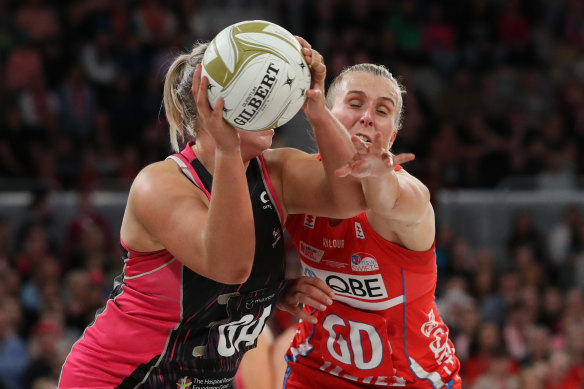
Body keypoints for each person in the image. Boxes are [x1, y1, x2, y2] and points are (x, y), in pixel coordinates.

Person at [58, 37, 364, 389]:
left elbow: (353, 196)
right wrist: (227, 147)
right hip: (118, 379)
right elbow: (227, 267)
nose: (269, 106)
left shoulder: (275, 171)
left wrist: (318, 107)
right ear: (214, 109)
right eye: (254, 99)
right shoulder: (159, 183)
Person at [279, 63, 462, 388]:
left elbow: (385, 202)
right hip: (317, 372)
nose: (367, 116)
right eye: (354, 103)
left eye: (381, 110)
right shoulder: (295, 179)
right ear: (325, 113)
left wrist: (377, 175)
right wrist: (275, 291)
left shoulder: (413, 196)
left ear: (391, 135)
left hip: (412, 379)